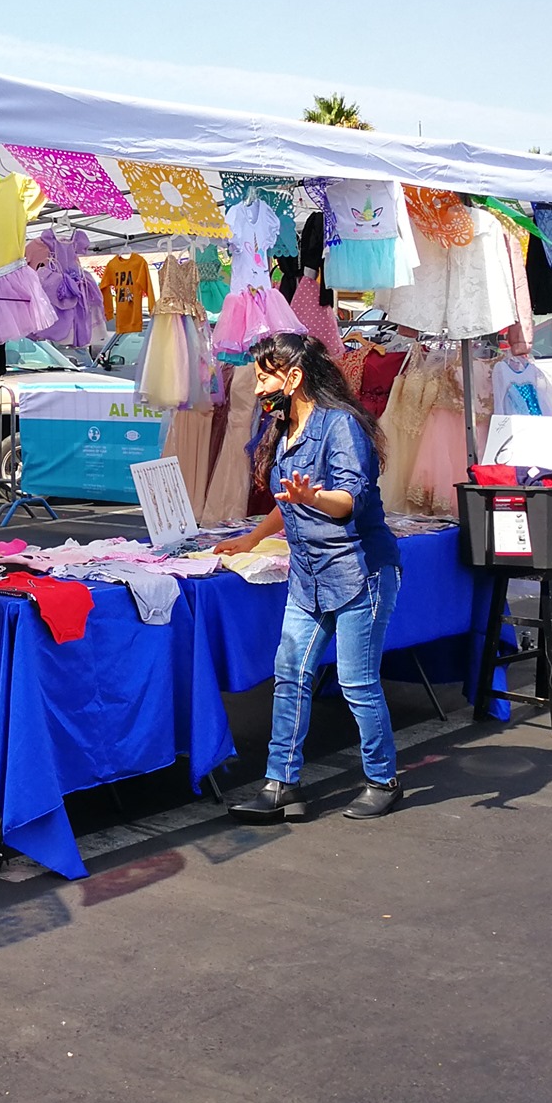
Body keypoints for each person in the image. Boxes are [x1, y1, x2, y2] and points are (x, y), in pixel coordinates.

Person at [213, 332, 405, 821]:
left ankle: (383, 780)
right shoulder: (286, 428)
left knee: (357, 683)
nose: (258, 388)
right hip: (308, 576)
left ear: (294, 377)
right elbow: (288, 500)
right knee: (290, 676)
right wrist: (251, 539)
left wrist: (313, 498)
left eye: (265, 378)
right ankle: (281, 785)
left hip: (360, 572)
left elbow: (348, 500)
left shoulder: (340, 425)